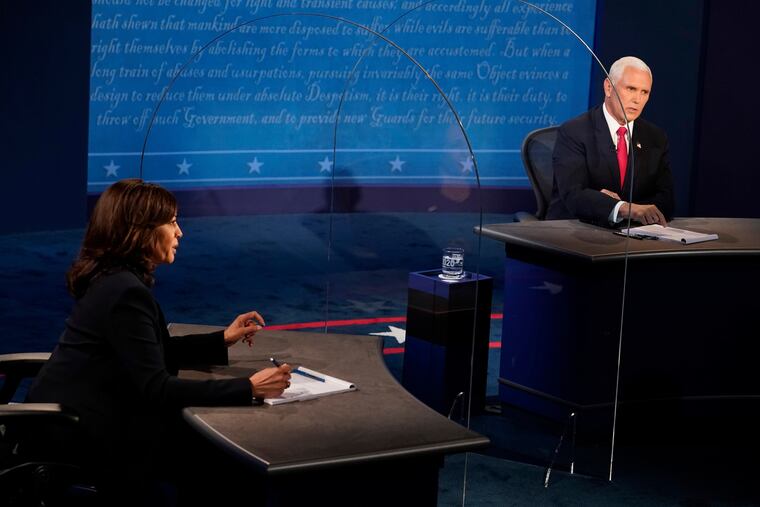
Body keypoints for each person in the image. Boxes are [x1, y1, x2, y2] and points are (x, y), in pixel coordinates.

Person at [26, 178, 292, 505]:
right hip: (81, 433)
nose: (180, 233)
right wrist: (248, 388)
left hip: (76, 417)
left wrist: (222, 339)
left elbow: (151, 352)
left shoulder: (114, 279)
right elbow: (157, 389)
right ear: (140, 231)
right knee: (218, 458)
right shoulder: (125, 291)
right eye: (172, 222)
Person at [545, 56, 675, 227]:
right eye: (631, 89)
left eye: (644, 92)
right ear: (608, 87)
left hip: (632, 232)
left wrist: (629, 210)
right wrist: (623, 208)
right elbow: (574, 195)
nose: (637, 99)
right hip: (575, 229)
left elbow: (667, 199)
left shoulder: (655, 138)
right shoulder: (574, 132)